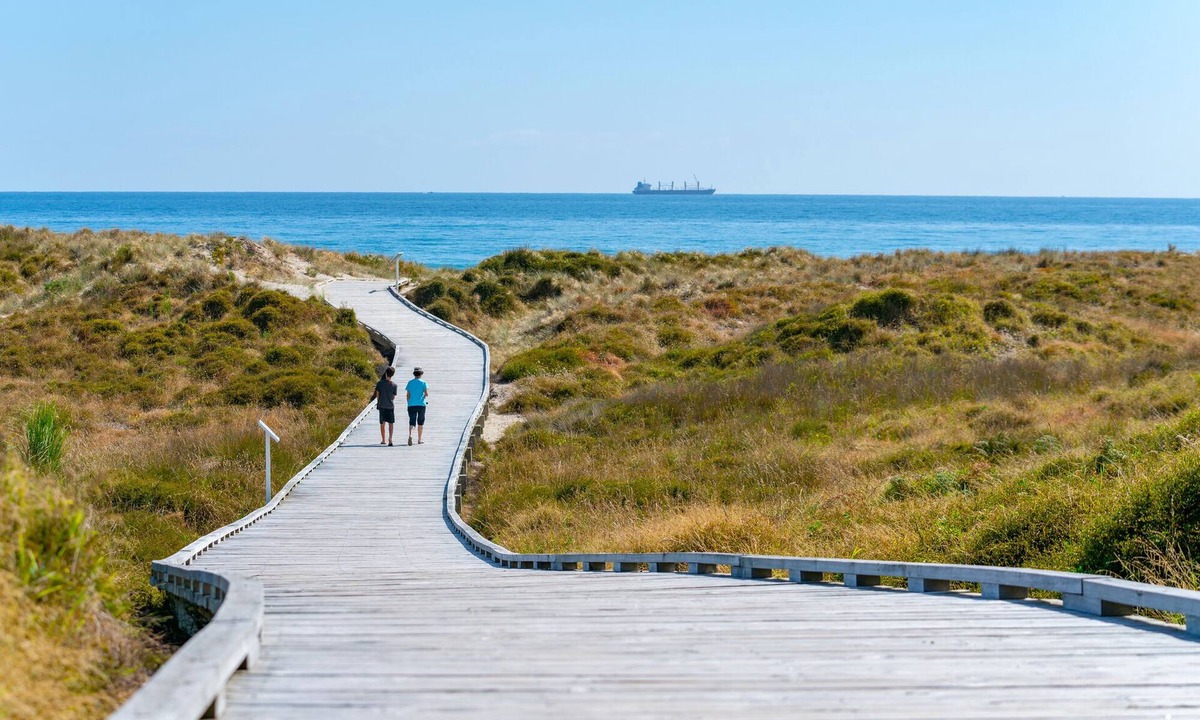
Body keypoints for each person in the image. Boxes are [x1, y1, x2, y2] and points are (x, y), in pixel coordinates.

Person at [370, 367, 399, 446]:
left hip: (382, 405)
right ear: (392, 375)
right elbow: (393, 397)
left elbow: (377, 394)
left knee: (382, 423)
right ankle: (390, 438)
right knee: (391, 423)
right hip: (390, 406)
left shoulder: (380, 383)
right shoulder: (394, 385)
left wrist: (378, 402)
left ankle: (383, 439)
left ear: (386, 373)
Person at [405, 367, 429, 446]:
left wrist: (409, 402)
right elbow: (426, 394)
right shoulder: (423, 382)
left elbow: (408, 395)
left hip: (411, 404)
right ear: (421, 374)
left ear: (414, 374)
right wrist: (424, 397)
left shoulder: (410, 382)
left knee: (412, 422)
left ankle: (410, 435)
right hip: (421, 404)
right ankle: (419, 439)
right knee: (420, 422)